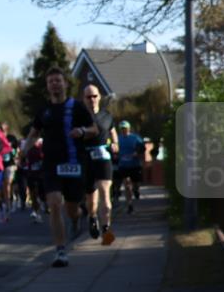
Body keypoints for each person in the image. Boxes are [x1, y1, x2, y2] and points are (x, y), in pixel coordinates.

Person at [21, 68, 98, 267]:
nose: (55, 84)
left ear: (65, 84)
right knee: (54, 203)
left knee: (72, 208)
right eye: (51, 81)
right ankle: (60, 250)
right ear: (47, 86)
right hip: (51, 165)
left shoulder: (77, 107)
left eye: (58, 80)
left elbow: (94, 129)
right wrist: (23, 150)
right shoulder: (44, 110)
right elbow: (34, 133)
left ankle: (77, 217)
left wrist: (81, 131)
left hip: (74, 163)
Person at [80, 84, 118, 244]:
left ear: (99, 97)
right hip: (86, 159)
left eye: (94, 96)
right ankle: (92, 217)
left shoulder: (107, 116)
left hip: (103, 158)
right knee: (92, 200)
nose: (92, 99)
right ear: (84, 99)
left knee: (104, 192)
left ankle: (106, 229)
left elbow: (114, 136)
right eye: (88, 97)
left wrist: (115, 144)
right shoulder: (79, 117)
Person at [115, 120, 145, 214]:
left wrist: (137, 152)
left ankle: (136, 190)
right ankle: (130, 204)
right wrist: (115, 154)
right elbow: (113, 148)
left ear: (129, 128)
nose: (124, 130)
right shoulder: (118, 139)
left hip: (134, 165)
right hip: (123, 165)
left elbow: (142, 147)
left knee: (135, 184)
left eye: (125, 128)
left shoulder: (135, 137)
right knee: (127, 185)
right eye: (122, 129)